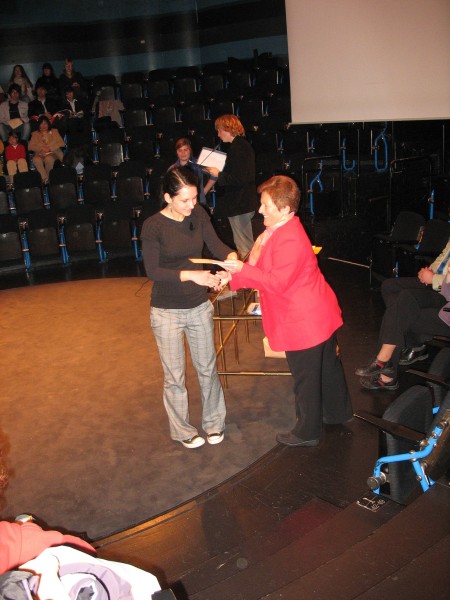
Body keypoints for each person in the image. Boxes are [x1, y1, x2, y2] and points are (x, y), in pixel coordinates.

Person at [220, 175, 353, 447]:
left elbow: (276, 282)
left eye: (266, 205)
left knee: (306, 379)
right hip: (317, 313)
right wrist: (233, 277)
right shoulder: (280, 231)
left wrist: (241, 271)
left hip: (303, 320)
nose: (260, 210)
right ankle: (338, 413)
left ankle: (307, 432)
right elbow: (262, 270)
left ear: (284, 209)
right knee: (328, 368)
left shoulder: (287, 237)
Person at [140, 167, 237, 448]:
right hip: (166, 310)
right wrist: (193, 275)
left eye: (194, 198)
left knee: (207, 368)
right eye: (185, 200)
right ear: (167, 198)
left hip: (197, 306)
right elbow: (153, 271)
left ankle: (214, 423)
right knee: (174, 377)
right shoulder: (153, 226)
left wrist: (231, 259)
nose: (192, 205)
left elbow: (216, 245)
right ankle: (182, 430)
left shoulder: (198, 214)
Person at [355, 282, 450, 390]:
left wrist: (436, 278)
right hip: (444, 295)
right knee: (403, 298)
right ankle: (385, 363)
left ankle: (385, 367)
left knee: (400, 315)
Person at [378, 237, 450, 365]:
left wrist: (434, 279)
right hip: (437, 282)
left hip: (443, 290)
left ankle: (387, 359)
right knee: (389, 287)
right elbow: (443, 257)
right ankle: (408, 343)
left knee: (404, 309)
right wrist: (429, 271)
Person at [205, 114, 257, 259]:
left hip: (240, 203)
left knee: (245, 246)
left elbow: (239, 178)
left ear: (228, 128)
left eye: (220, 130)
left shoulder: (239, 148)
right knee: (244, 245)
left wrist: (218, 173)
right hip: (240, 203)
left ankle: (249, 273)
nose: (218, 134)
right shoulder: (239, 146)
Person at [168, 137, 214, 205]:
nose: (183, 153)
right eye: (180, 150)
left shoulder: (198, 164)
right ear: (177, 152)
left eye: (185, 150)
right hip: (180, 204)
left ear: (190, 150)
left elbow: (215, 175)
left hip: (198, 203)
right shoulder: (172, 168)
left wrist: (204, 191)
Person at [28, 115, 65, 184]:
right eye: (41, 123)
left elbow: (61, 143)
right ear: (39, 125)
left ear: (48, 124)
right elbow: (30, 147)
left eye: (45, 123)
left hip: (53, 152)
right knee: (36, 159)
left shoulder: (54, 131)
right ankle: (45, 179)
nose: (43, 125)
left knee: (49, 159)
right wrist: (41, 148)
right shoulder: (35, 134)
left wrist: (50, 148)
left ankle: (49, 178)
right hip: (41, 153)